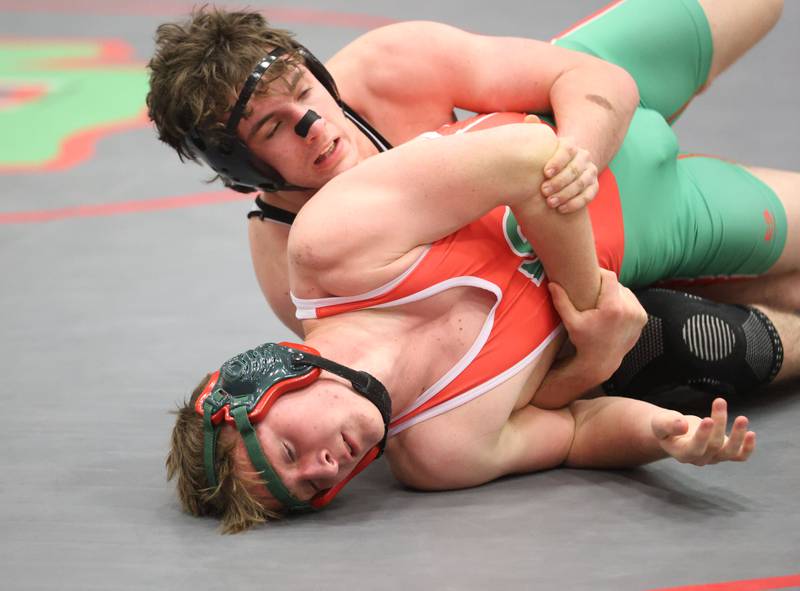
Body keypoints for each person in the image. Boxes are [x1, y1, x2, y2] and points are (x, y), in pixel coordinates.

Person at [166, 86, 799, 530]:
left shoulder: (331, 252)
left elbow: (532, 157)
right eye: (308, 488)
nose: (325, 469)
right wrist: (664, 437)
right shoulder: (441, 454)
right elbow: (576, 433)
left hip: (592, 132)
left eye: (288, 452)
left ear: (267, 375)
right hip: (648, 255)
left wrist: (590, 303)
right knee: (713, 346)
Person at [146, 0, 794, 340]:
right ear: (243, 172)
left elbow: (593, 77)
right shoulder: (299, 261)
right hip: (637, 225)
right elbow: (467, 353)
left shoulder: (387, 66)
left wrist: (581, 156)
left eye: (303, 91)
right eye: (272, 128)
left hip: (581, 122)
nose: (312, 123)